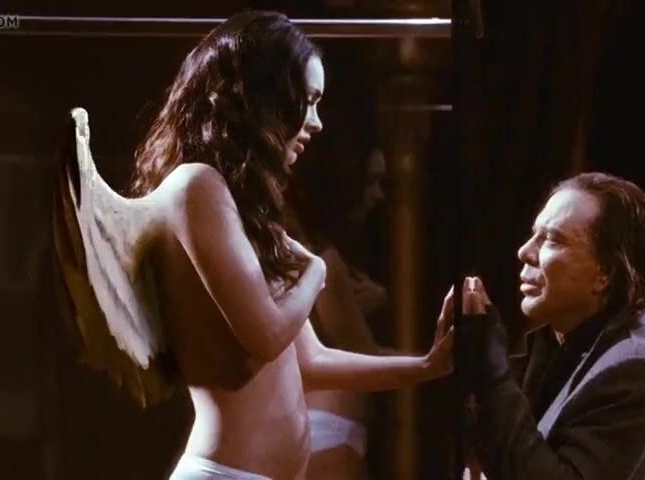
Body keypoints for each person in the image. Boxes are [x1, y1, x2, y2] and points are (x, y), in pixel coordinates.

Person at [122, 11, 452, 479]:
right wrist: (315, 272)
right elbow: (266, 337)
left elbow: (311, 362)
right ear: (263, 96)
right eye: (308, 101)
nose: (315, 123)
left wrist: (426, 366)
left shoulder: (242, 207)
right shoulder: (196, 185)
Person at [461, 172, 645, 479]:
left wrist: (492, 377)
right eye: (534, 235)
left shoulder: (640, 372)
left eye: (552, 239)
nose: (525, 251)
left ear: (605, 274)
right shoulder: (567, 352)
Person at [287, 109, 397, 479]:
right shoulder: (322, 261)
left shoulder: (309, 249)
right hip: (327, 428)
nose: (378, 195)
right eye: (371, 182)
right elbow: (366, 357)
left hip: (320, 425)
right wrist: (439, 363)